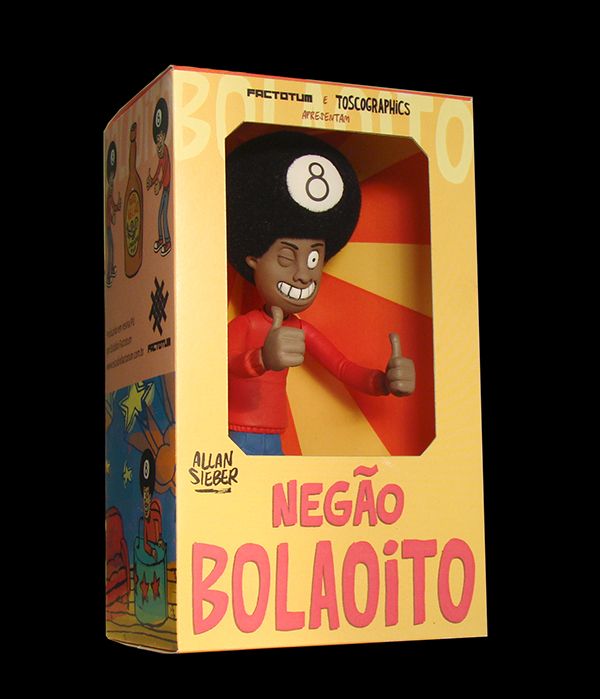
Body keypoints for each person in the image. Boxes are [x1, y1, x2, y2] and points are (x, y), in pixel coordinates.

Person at [226, 130, 415, 456]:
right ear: (254, 259)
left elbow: (342, 367)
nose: (302, 273)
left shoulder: (299, 328)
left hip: (274, 436)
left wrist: (384, 381)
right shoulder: (246, 325)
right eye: (286, 258)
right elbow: (219, 367)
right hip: (235, 434)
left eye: (314, 258)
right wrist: (261, 359)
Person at [147, 97, 171, 257]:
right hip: (164, 185)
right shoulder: (160, 151)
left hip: (167, 185)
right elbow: (158, 169)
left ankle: (167, 240)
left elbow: (165, 168)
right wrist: (153, 181)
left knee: (163, 214)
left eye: (160, 137)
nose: (159, 140)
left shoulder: (165, 150)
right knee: (159, 214)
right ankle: (162, 239)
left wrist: (159, 182)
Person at [105, 141, 121, 286]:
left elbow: (113, 207)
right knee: (110, 249)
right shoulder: (108, 197)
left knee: (111, 248)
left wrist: (117, 207)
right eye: (110, 184)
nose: (111, 186)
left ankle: (110, 271)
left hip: (109, 226)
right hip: (109, 227)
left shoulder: (109, 197)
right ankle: (109, 273)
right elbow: (113, 207)